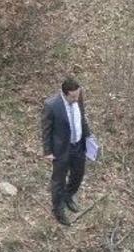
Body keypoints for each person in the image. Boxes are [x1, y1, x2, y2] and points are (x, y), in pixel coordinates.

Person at [41, 77, 93, 226]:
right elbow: (46, 131)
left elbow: (82, 118)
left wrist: (88, 135)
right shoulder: (51, 105)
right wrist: (47, 151)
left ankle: (68, 195)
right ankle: (58, 209)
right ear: (65, 94)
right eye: (73, 96)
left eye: (78, 95)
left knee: (78, 174)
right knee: (58, 180)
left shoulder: (78, 97)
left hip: (78, 145)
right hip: (61, 149)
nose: (77, 99)